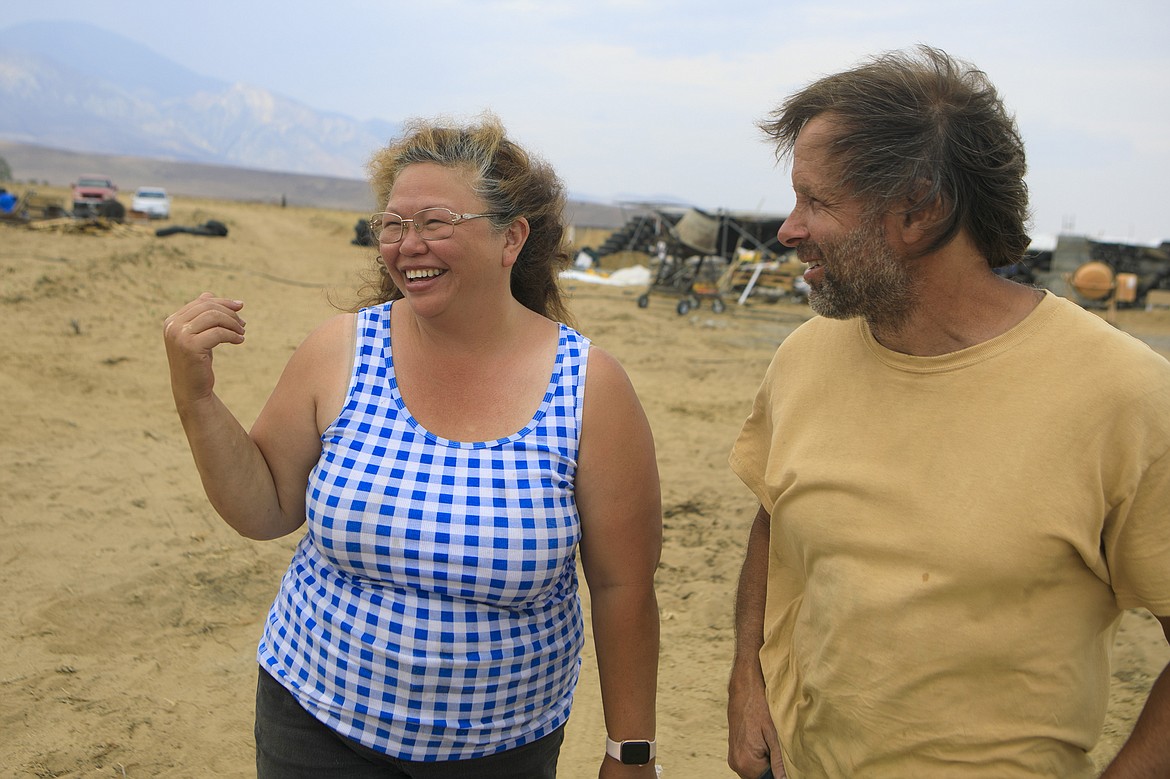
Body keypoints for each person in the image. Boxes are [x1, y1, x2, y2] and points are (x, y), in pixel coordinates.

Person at [164, 114, 661, 778]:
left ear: (512, 237)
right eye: (392, 225)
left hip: (499, 749)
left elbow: (621, 584)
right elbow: (266, 508)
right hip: (315, 727)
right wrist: (197, 399)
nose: (406, 244)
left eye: (434, 222)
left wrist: (629, 752)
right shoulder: (340, 350)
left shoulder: (589, 388)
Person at [726, 46, 1170, 779]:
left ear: (920, 209)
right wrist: (748, 677)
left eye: (817, 201)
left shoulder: (1124, 396)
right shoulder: (805, 357)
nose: (788, 229)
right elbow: (776, 515)